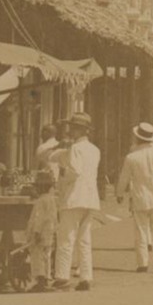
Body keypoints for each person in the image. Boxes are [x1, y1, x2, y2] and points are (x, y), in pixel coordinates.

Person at [115, 123, 153, 273]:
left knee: (141, 231)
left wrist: (119, 193)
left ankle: (142, 263)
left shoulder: (131, 157)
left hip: (140, 198)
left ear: (138, 137)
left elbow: (124, 178)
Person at [52, 111, 102, 292]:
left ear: (79, 130)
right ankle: (86, 277)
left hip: (74, 197)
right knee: (84, 240)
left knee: (66, 238)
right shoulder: (95, 150)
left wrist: (62, 171)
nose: (69, 131)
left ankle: (62, 275)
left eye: (72, 128)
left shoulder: (76, 149)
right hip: (90, 198)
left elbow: (74, 172)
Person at [24, 170, 60, 292]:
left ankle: (40, 279)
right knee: (47, 256)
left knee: (37, 256)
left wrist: (36, 232)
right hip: (49, 233)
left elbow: (38, 219)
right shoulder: (52, 200)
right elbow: (53, 218)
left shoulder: (40, 201)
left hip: (40, 234)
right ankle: (46, 277)